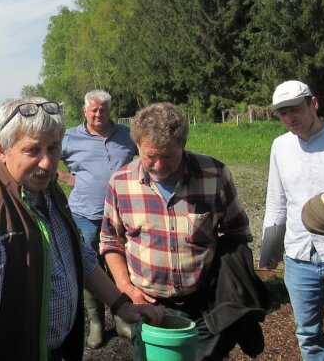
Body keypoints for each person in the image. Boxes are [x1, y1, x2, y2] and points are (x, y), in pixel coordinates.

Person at [0, 97, 164, 361]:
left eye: (54, 148)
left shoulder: (46, 189)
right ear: (1, 150)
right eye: (33, 150)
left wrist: (121, 304)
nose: (47, 163)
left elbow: (80, 255)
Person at [101, 102, 267, 360]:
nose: (157, 165)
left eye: (167, 156)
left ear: (183, 143)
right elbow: (111, 240)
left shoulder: (214, 175)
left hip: (205, 307)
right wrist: (126, 288)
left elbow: (238, 234)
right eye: (149, 156)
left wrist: (231, 290)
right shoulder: (121, 183)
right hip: (149, 306)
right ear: (137, 147)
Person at [262, 80, 324, 359]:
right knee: (307, 335)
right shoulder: (280, 146)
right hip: (298, 255)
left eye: (295, 110)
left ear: (314, 104)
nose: (289, 118)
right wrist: (269, 248)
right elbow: (277, 200)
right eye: (283, 113)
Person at [57, 89, 138, 347]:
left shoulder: (126, 136)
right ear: (85, 111)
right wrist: (67, 178)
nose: (98, 113)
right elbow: (46, 157)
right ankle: (96, 323)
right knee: (89, 267)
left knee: (118, 267)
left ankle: (121, 319)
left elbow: (147, 153)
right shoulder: (69, 138)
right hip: (84, 215)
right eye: (93, 109)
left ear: (109, 110)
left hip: (121, 216)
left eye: (103, 109)